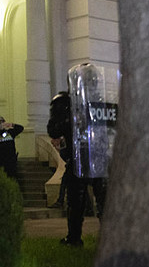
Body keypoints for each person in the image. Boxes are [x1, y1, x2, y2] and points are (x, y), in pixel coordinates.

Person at [46, 91, 107, 247]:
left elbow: (54, 129)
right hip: (94, 157)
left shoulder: (68, 102)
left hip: (83, 157)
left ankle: (74, 238)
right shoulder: (99, 102)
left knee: (79, 200)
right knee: (98, 199)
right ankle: (78, 238)